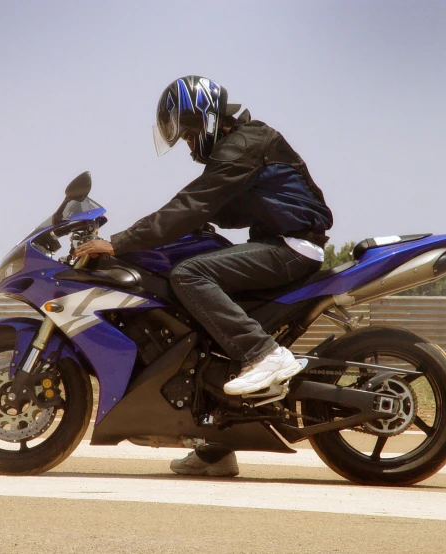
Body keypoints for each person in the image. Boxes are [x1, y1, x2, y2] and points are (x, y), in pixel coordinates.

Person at [74, 76, 333, 477]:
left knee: (190, 274)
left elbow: (194, 204)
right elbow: (211, 208)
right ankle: (216, 445)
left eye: (191, 134)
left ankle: (265, 354)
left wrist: (120, 242)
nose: (191, 145)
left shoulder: (243, 144)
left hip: (291, 248)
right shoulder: (241, 147)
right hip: (279, 243)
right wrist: (167, 229)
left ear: (208, 118)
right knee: (200, 291)